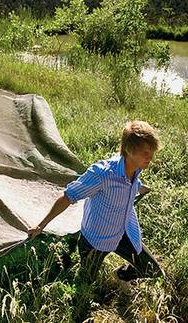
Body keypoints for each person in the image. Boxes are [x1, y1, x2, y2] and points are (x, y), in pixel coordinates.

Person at [27, 120, 163, 282]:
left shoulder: (136, 168)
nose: (150, 157)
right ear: (128, 149)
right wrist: (41, 225)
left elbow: (127, 185)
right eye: (145, 152)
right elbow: (68, 196)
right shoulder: (103, 174)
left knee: (153, 271)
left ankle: (120, 276)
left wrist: (139, 187)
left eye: (152, 151)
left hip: (123, 233)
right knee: (86, 285)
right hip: (95, 241)